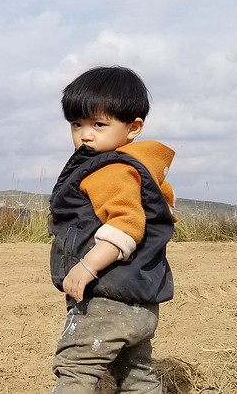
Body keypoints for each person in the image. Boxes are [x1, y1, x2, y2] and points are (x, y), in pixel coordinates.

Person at [47, 65, 177, 394]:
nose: (85, 134)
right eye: (77, 124)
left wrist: (88, 265)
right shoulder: (141, 171)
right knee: (136, 375)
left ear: (133, 128)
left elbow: (126, 226)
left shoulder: (110, 170)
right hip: (141, 304)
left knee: (76, 369)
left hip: (107, 301)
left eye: (98, 124)